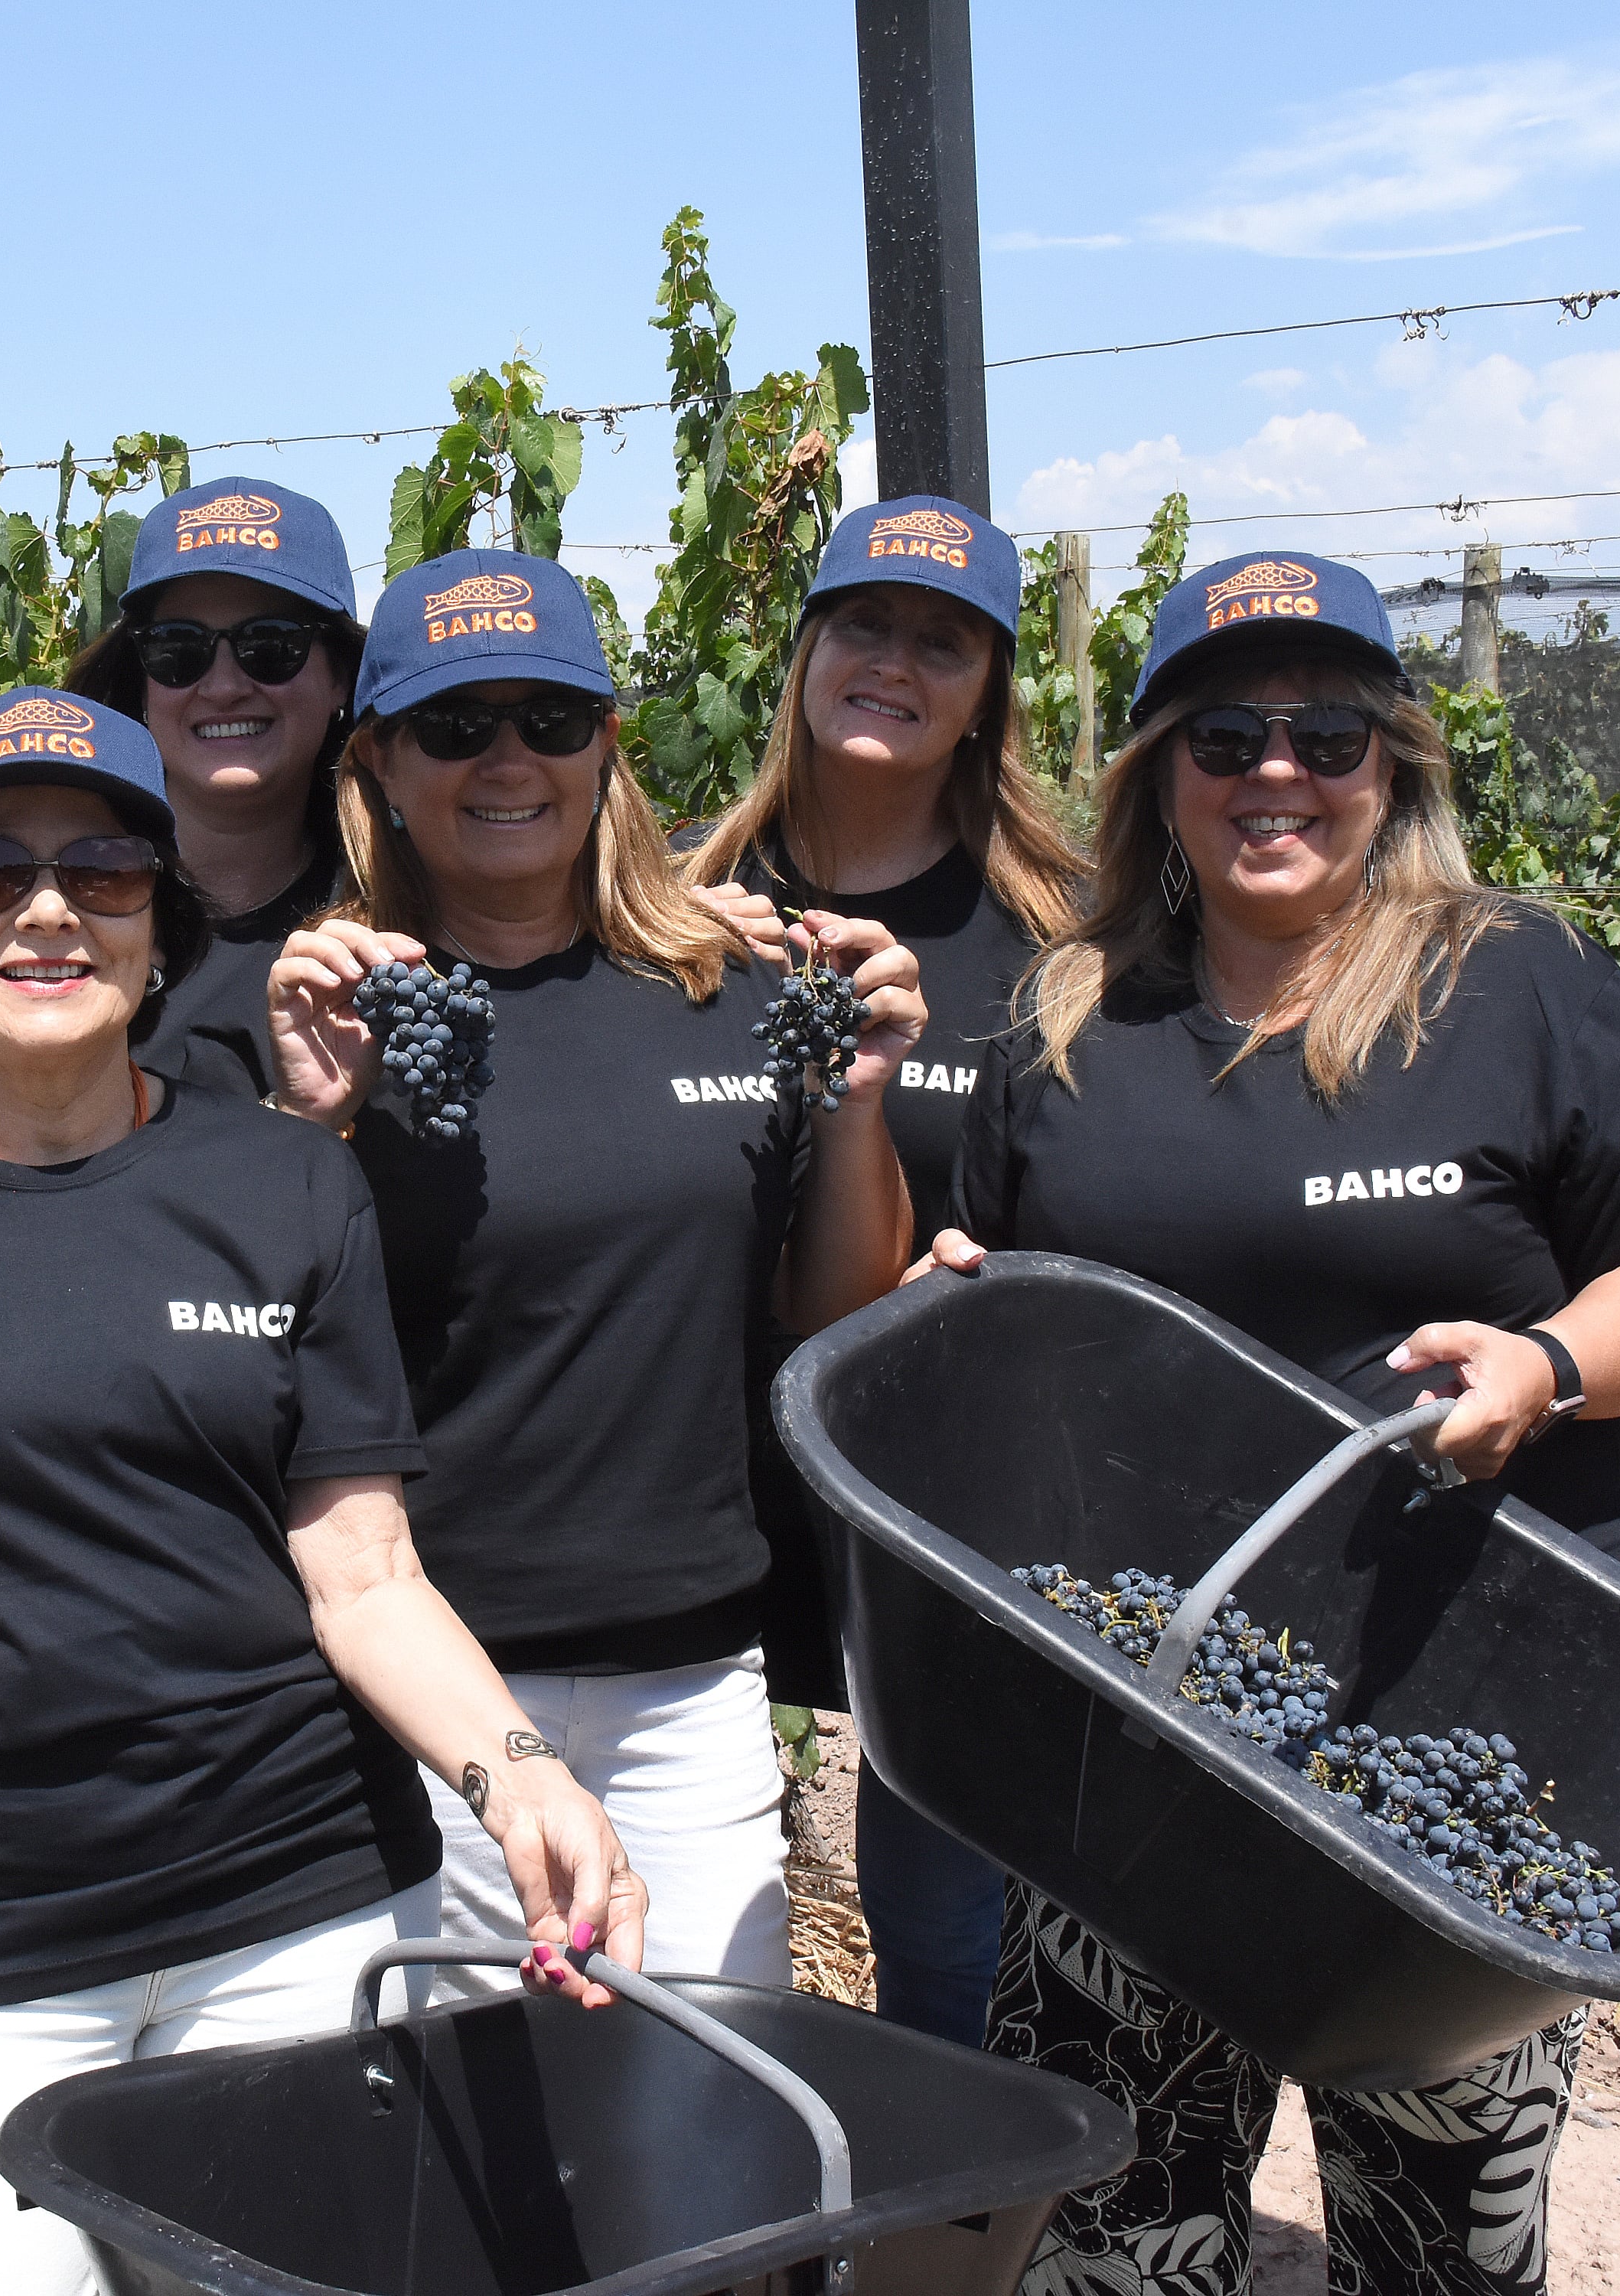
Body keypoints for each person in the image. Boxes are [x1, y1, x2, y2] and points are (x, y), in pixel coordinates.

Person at [0, 689, 641, 2296]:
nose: (44, 912)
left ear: (159, 925)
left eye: (101, 871)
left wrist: (518, 1779)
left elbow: (363, 1573)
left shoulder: (289, 1184)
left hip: (295, 1915)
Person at [925, 550, 1620, 2294]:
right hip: (1138, 1749)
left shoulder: (1519, 988)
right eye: (1226, 736)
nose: (1278, 772)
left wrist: (1546, 1360)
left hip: (1464, 1727)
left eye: (1329, 732)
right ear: (1158, 769)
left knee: (1440, 2250)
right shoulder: (1067, 1025)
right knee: (1107, 2239)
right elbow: (1000, 1317)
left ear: (1396, 763)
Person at [266, 550, 927, 1988]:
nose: (507, 760)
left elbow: (831, 1317)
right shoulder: (336, 1017)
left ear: (606, 747)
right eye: (454, 728)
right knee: (455, 2150)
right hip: (421, 1687)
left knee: (713, 2134)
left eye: (549, 721)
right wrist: (300, 1127)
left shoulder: (728, 994)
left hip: (688, 1686)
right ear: (377, 761)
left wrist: (859, 1102)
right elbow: (238, 1347)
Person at [683, 495, 1081, 2050]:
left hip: (947, 1512)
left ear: (987, 688)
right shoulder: (673, 901)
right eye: (864, 625)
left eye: (943, 641)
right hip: (715, 1488)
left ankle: (936, 2239)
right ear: (804, 653)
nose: (893, 663)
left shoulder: (1059, 940)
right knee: (701, 1932)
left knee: (949, 1947)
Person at [67, 475, 363, 1087]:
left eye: (271, 646)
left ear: (340, 676)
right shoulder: (51, 897)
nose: (224, 687)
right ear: (141, 683)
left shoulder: (400, 907)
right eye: (179, 649)